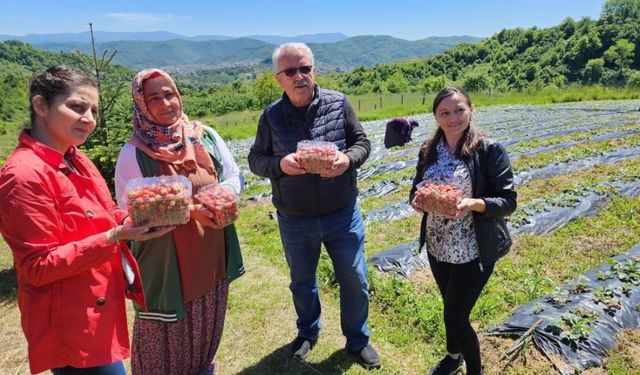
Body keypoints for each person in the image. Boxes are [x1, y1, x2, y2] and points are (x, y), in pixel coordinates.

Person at [0, 65, 173, 375]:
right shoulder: (23, 175)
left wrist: (139, 217)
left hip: (95, 311)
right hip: (70, 325)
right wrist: (115, 236)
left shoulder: (75, 157)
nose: (90, 119)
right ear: (41, 106)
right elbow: (37, 267)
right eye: (77, 107)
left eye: (93, 110)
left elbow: (100, 214)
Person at [248, 43, 381, 369]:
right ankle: (308, 332)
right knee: (302, 280)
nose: (299, 76)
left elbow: (362, 143)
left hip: (342, 213)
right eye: (290, 71)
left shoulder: (339, 104)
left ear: (314, 71)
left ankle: (357, 339)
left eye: (305, 68)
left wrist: (346, 160)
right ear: (279, 78)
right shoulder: (271, 116)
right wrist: (281, 164)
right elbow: (255, 160)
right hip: (295, 217)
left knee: (354, 278)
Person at [114, 68, 244, 375]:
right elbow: (130, 210)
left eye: (169, 94)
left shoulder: (205, 136)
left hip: (210, 254)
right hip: (166, 263)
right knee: (165, 340)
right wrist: (190, 209)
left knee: (207, 324)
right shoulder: (133, 153)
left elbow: (233, 175)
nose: (165, 103)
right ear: (141, 105)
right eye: (154, 98)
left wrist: (222, 196)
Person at [409, 87, 516, 375]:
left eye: (459, 110)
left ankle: (474, 370)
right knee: (449, 306)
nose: (453, 117)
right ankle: (453, 356)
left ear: (470, 109)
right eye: (445, 112)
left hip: (473, 248)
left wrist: (473, 203)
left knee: (456, 316)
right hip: (438, 245)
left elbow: (508, 201)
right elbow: (415, 190)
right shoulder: (428, 151)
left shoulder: (488, 150)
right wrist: (418, 202)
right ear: (436, 116)